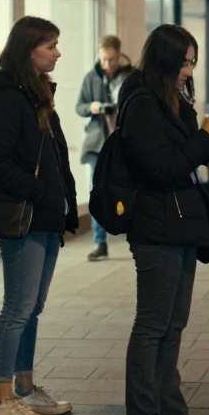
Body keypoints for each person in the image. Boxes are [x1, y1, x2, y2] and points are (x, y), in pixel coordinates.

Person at [120, 24, 209, 415]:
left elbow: (186, 158)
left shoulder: (174, 100)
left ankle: (170, 410)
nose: (189, 70)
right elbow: (161, 168)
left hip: (180, 224)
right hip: (155, 226)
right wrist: (204, 138)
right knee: (153, 325)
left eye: (192, 62)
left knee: (174, 325)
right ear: (165, 61)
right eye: (184, 62)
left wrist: (206, 134)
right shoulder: (141, 104)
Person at [0, 16, 79, 415]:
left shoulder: (37, 94)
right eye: (50, 45)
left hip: (46, 219)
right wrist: (40, 193)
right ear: (28, 49)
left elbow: (55, 158)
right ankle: (2, 399)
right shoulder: (9, 97)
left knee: (32, 308)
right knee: (17, 308)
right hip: (25, 218)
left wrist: (64, 203)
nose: (57, 52)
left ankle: (25, 388)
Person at [76, 34, 133, 262]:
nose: (107, 64)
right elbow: (79, 106)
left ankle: (134, 233)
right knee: (96, 190)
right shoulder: (91, 77)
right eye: (103, 59)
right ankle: (100, 242)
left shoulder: (130, 77)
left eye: (111, 59)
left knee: (129, 188)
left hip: (123, 142)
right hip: (97, 144)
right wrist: (92, 107)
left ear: (119, 55)